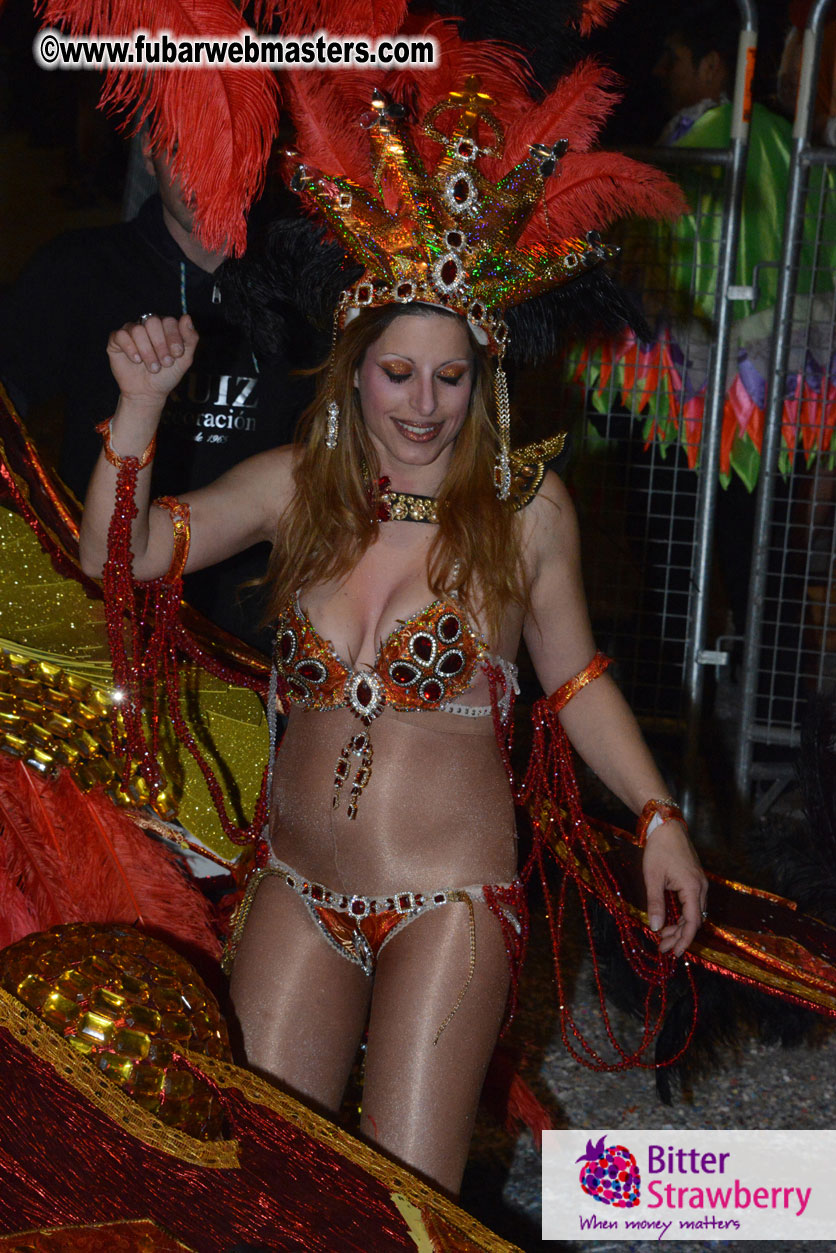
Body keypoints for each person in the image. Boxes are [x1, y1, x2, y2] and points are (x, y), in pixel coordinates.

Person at [78, 84, 708, 1194]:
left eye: (451, 377)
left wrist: (656, 815)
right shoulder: (292, 491)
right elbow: (115, 561)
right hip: (294, 887)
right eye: (397, 373)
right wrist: (137, 411)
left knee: (402, 1207)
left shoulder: (525, 513)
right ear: (352, 369)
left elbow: (577, 682)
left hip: (447, 903)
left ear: (485, 377)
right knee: (264, 1193)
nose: (423, 405)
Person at [0, 134, 314, 648]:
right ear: (148, 149)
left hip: (266, 650)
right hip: (100, 634)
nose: (207, 173)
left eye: (228, 148)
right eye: (184, 147)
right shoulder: (77, 269)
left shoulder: (316, 292)